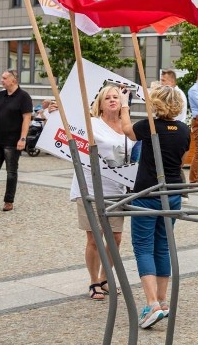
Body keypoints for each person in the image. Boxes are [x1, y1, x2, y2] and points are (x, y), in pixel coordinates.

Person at [119, 83, 190, 329]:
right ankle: (162, 300)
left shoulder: (150, 126)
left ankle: (151, 304)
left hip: (148, 192)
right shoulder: (184, 130)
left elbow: (127, 131)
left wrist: (125, 105)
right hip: (173, 193)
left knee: (143, 247)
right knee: (163, 245)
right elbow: (181, 159)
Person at [71, 85, 128, 300]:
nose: (112, 100)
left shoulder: (126, 126)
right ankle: (94, 281)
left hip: (117, 188)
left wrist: (126, 111)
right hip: (90, 185)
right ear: (100, 103)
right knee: (94, 238)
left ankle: (106, 277)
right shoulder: (92, 124)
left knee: (116, 237)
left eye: (116, 97)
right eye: (108, 98)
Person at [0, 69, 32, 212]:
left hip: (13, 141)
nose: (1, 80)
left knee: (11, 173)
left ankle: (8, 201)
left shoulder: (23, 97)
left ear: (13, 80)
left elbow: (26, 119)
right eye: (2, 77)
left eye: (4, 78)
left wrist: (23, 138)